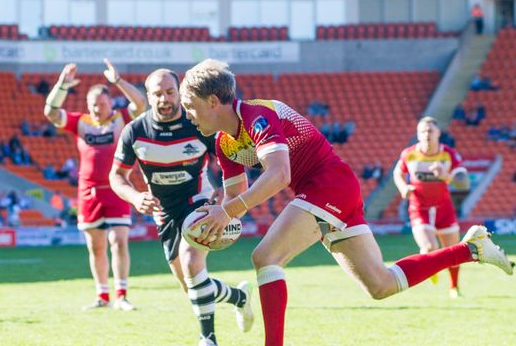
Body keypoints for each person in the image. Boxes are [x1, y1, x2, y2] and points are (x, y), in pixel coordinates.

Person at [178, 59, 513, 346]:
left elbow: (279, 174)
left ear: (212, 101)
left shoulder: (256, 116)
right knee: (381, 285)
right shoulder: (225, 143)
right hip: (325, 192)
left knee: (266, 256)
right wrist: (216, 219)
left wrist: (229, 211)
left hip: (329, 185)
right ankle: (471, 249)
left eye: (190, 105)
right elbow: (234, 200)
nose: (189, 115)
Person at [109, 69, 253, 346]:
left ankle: (207, 339)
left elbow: (229, 160)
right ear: (147, 96)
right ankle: (238, 297)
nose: (164, 99)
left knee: (191, 262)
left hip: (198, 202)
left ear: (180, 92)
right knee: (192, 286)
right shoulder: (135, 131)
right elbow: (116, 176)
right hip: (163, 213)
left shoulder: (197, 124)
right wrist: (135, 197)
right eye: (157, 94)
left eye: (170, 92)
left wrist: (224, 199)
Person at [43, 58, 147, 311]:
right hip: (88, 192)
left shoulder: (122, 118)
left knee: (119, 241)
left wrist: (118, 81)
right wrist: (62, 86)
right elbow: (51, 113)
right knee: (95, 245)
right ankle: (102, 295)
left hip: (117, 187)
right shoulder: (81, 121)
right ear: (88, 106)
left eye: (102, 104)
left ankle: (121, 294)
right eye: (94, 105)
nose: (98, 109)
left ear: (109, 102)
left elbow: (141, 104)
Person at [393, 117, 470, 297]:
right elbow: (398, 172)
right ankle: (431, 270)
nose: (426, 134)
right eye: (423, 131)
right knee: (429, 248)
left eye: (430, 131)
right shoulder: (409, 154)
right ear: (418, 134)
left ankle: (454, 287)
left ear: (438, 133)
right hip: (419, 209)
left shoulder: (448, 154)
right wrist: (403, 188)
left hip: (444, 209)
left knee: (453, 251)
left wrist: (446, 176)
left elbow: (464, 183)